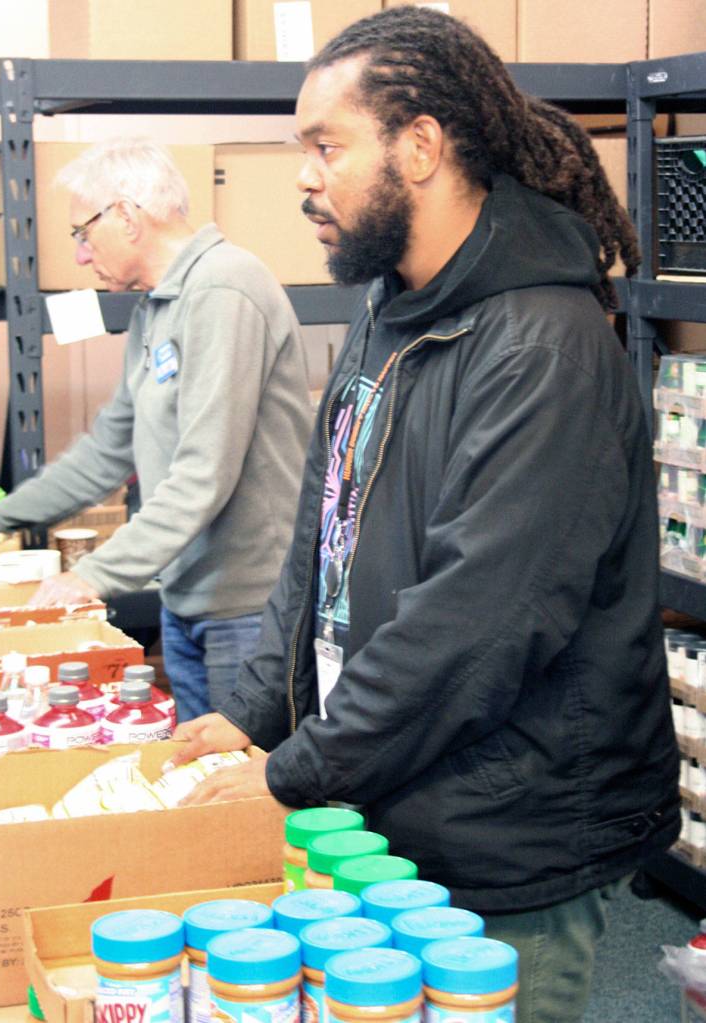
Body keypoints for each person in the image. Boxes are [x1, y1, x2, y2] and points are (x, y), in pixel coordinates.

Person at [165, 8, 680, 1020]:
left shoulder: (542, 346)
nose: (305, 176)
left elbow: (476, 622)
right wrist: (254, 711)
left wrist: (296, 770)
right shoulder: (392, 315)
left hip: (508, 837)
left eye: (327, 146)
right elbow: (323, 546)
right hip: (397, 801)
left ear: (423, 145)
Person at [0, 138, 313, 722]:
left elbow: (206, 472)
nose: (79, 256)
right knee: (196, 792)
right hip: (186, 600)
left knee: (242, 797)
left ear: (126, 216)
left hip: (246, 611)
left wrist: (93, 576)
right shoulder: (159, 309)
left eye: (82, 233)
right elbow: (108, 450)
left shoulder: (224, 290)